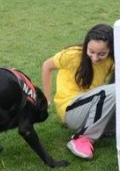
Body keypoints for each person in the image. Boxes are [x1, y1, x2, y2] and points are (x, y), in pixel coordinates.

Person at [41, 23, 115, 160]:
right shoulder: (72, 55)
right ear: (86, 44)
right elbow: (47, 66)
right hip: (70, 109)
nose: (95, 58)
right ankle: (82, 138)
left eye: (101, 54)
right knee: (114, 90)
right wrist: (46, 98)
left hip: (91, 107)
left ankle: (106, 129)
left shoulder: (111, 61)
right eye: (91, 51)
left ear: (110, 50)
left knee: (119, 91)